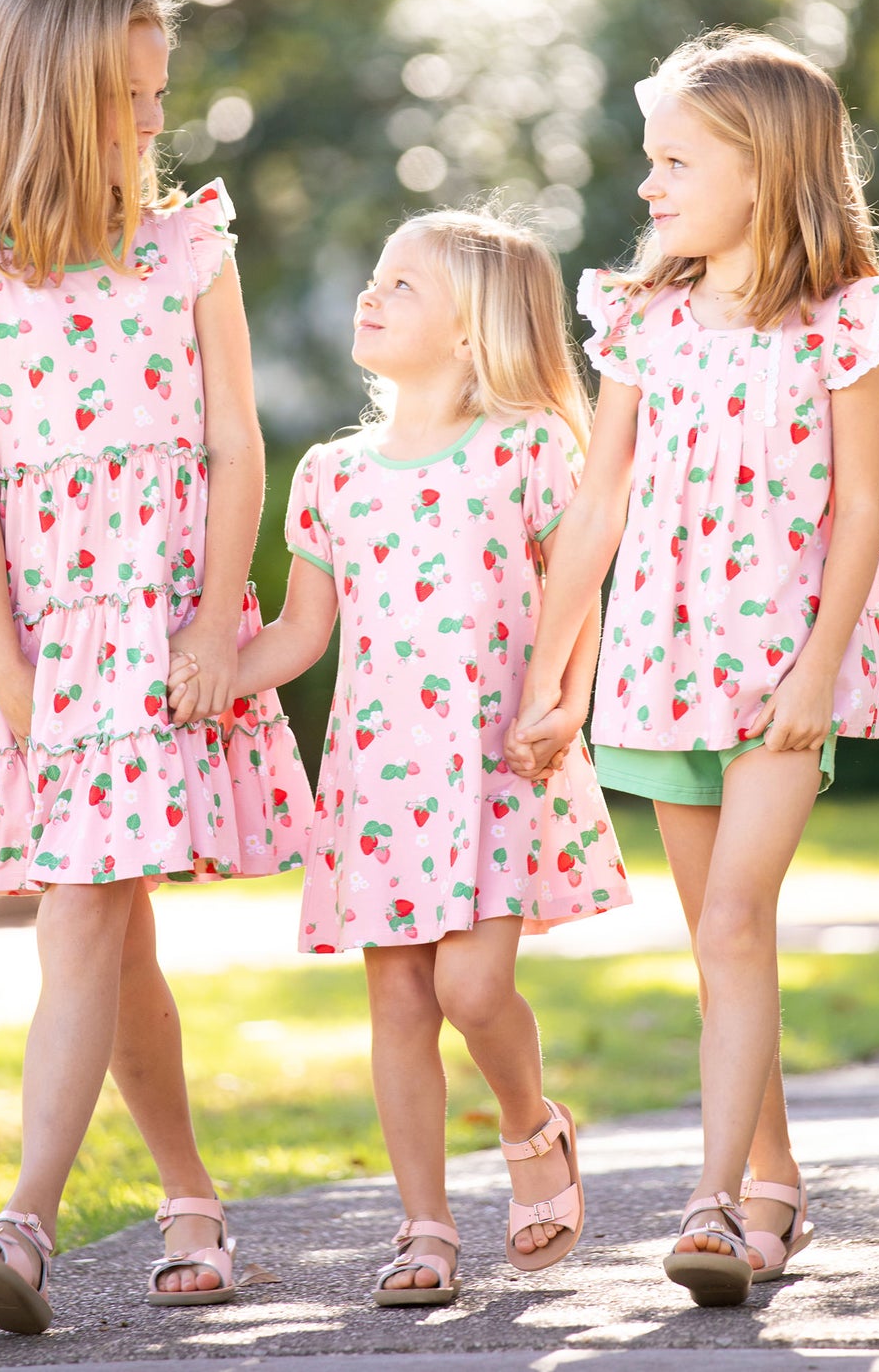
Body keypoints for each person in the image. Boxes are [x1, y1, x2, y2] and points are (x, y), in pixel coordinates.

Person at [0, 0, 312, 1333]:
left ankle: (25, 1222)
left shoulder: (185, 242)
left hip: (164, 624)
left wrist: (212, 623)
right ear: (54, 97)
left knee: (85, 908)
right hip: (44, 637)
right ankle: (190, 1199)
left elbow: (236, 443)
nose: (152, 119)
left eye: (158, 93)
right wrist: (6, 666)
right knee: (110, 932)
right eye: (130, 96)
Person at [506, 28, 879, 1308]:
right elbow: (596, 506)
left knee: (735, 922)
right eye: (651, 161)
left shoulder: (841, 321)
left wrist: (815, 669)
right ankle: (773, 1181)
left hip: (784, 670)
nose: (647, 184)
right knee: (717, 943)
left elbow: (860, 510)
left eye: (674, 161)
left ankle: (712, 1204)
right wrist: (551, 675)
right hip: (662, 656)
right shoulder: (642, 320)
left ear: (763, 167)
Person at [173, 207, 631, 1306]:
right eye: (373, 279)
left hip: (493, 767)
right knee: (398, 1004)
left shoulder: (527, 448)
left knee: (472, 986)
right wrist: (202, 673)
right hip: (379, 779)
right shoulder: (331, 473)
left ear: (471, 330)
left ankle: (532, 1128)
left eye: (400, 285)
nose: (369, 296)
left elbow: (575, 590)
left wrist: (566, 700)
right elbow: (300, 634)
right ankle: (423, 1225)